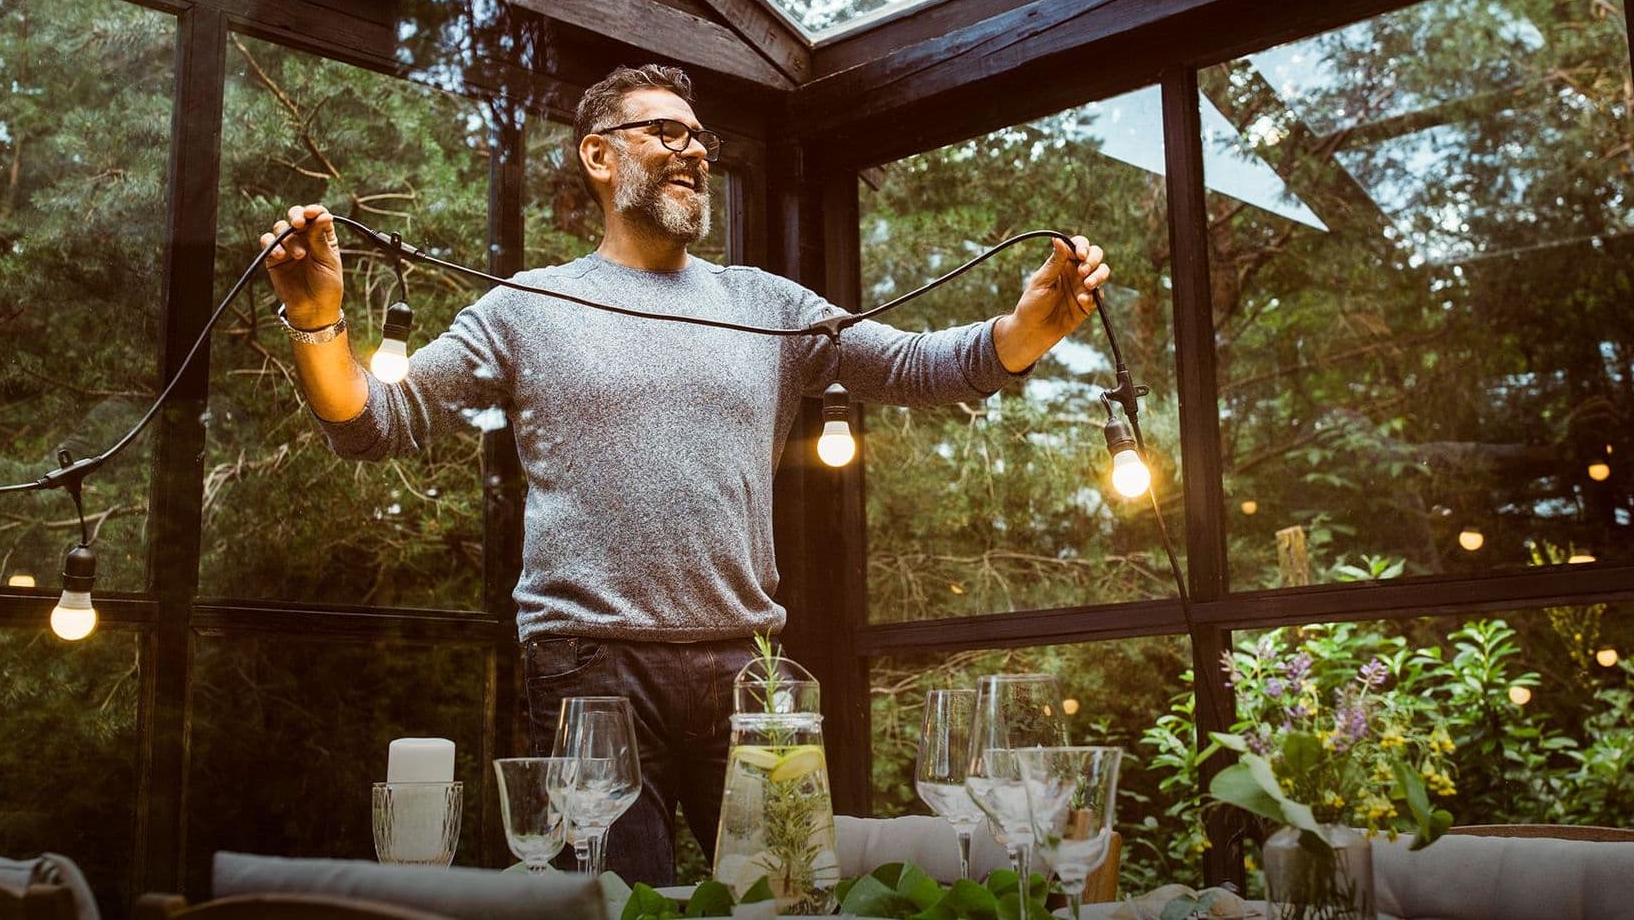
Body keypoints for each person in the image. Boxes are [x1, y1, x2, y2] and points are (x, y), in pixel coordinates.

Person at [258, 64, 1111, 884]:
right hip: (587, 668)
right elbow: (377, 422)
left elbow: (917, 365)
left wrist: (1027, 329)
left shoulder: (767, 305)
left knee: (790, 895)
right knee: (613, 908)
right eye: (665, 131)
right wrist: (316, 320)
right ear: (599, 155)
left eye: (700, 137)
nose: (694, 150)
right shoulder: (527, 307)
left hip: (749, 667)